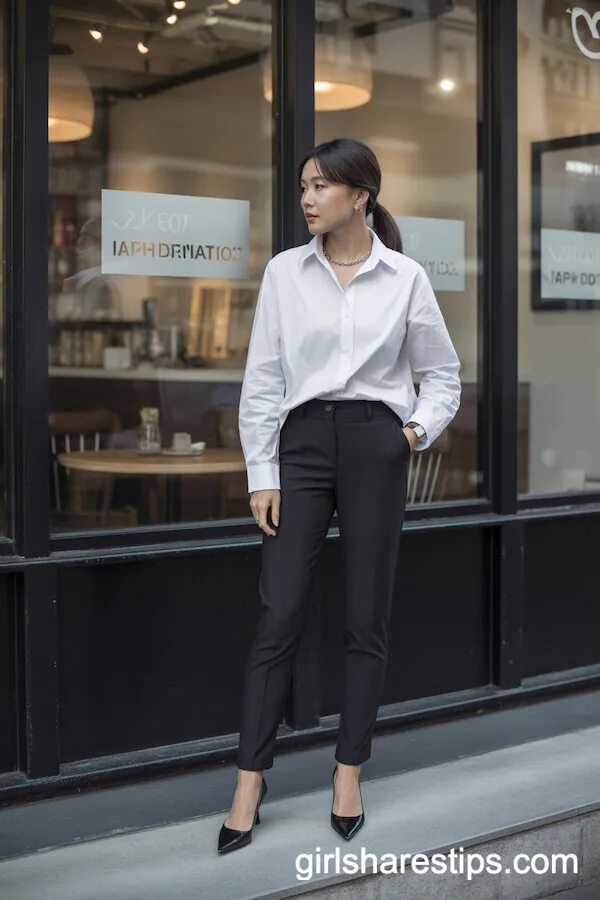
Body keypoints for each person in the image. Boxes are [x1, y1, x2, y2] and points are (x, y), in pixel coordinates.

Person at [217, 137, 461, 854]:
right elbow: (263, 379)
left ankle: (348, 771)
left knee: (365, 618)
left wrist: (409, 434)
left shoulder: (406, 278)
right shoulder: (285, 274)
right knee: (279, 612)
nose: (307, 197)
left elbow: (443, 376)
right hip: (300, 446)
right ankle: (249, 780)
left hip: (375, 446)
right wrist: (262, 471)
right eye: (303, 186)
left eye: (321, 186)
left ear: (361, 196)